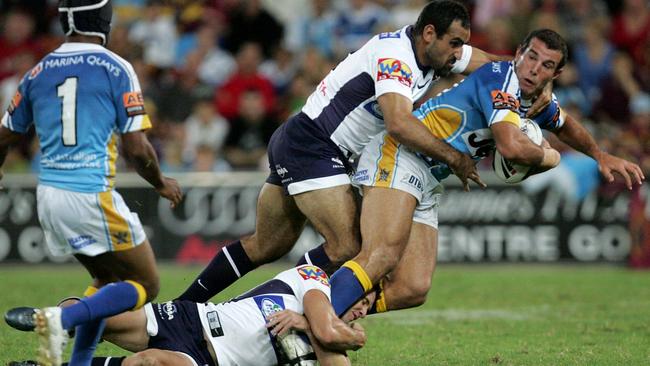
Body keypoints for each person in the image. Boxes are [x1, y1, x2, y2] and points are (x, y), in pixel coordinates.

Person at [176, 0, 544, 304]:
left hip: (301, 140)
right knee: (348, 247)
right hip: (314, 145)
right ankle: (250, 313)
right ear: (429, 33)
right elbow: (399, 123)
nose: (459, 53)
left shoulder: (435, 53)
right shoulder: (395, 56)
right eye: (455, 44)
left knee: (266, 246)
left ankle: (184, 306)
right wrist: (456, 158)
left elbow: (498, 67)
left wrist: (532, 79)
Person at [328, 28, 645, 317]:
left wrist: (599, 154)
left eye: (546, 65)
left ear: (557, 73)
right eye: (531, 56)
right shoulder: (501, 78)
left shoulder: (534, 97)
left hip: (430, 176)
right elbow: (510, 147)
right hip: (401, 154)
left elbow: (565, 125)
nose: (534, 68)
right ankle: (313, 318)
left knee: (413, 287)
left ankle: (341, 308)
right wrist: (550, 159)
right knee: (380, 255)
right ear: (519, 52)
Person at [0, 1, 182, 365]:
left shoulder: (37, 71)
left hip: (48, 196)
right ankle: (59, 319)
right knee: (146, 285)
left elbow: (5, 135)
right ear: (104, 21)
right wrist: (160, 182)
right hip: (89, 194)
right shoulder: (115, 67)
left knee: (107, 279)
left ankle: (78, 363)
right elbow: (136, 147)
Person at [7, 265, 373, 366]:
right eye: (361, 296)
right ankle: (58, 321)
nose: (361, 306)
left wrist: (346, 334)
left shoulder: (332, 339)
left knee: (147, 363)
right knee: (89, 317)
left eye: (368, 307)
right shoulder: (313, 279)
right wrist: (325, 327)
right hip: (190, 318)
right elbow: (326, 329)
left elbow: (331, 346)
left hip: (206, 360)